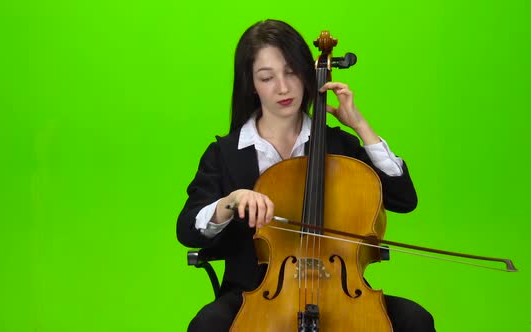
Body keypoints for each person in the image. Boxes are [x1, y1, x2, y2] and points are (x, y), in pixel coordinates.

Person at [177, 19, 435, 332]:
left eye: (291, 71)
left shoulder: (338, 146)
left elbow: (403, 198)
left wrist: (362, 127)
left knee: (416, 320)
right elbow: (188, 229)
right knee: (207, 325)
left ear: (307, 72)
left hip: (340, 292)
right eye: (267, 77)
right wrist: (232, 201)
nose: (282, 88)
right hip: (253, 295)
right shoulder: (225, 153)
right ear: (251, 84)